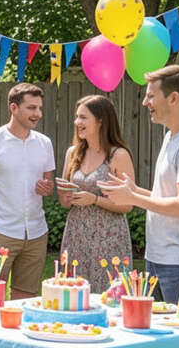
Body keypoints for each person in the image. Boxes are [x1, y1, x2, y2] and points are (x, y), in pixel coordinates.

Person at [98, 65, 179, 303]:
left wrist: (133, 198)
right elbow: (168, 196)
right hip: (161, 257)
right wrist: (134, 190)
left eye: (151, 95)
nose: (145, 102)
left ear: (174, 98)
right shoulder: (172, 136)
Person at [0, 83, 55, 299]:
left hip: (36, 233)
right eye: (31, 108)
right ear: (13, 108)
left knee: (25, 300)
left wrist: (46, 188)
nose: (38, 114)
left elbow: (48, 184)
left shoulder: (44, 143)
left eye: (40, 108)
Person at [56, 95, 134, 285]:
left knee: (108, 295)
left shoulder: (118, 155)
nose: (77, 122)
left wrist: (95, 200)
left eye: (83, 117)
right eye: (77, 117)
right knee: (73, 293)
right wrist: (64, 194)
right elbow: (66, 203)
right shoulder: (72, 153)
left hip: (109, 238)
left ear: (101, 121)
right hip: (76, 234)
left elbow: (128, 205)